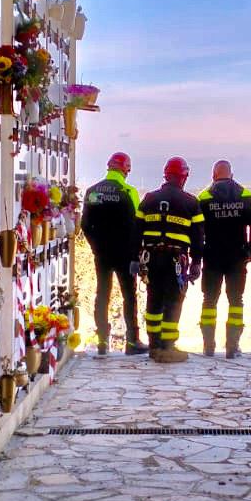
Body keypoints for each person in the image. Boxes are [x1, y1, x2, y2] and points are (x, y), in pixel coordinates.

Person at [137, 157, 204, 363]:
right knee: (174, 301)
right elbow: (198, 237)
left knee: (153, 299)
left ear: (166, 175)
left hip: (151, 259)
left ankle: (154, 345)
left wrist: (135, 259)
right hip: (176, 261)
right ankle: (168, 346)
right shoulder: (191, 202)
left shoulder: (149, 199)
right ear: (184, 177)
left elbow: (135, 231)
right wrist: (196, 262)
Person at [80, 152, 148, 356]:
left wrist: (95, 246)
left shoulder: (92, 192)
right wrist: (138, 253)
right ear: (126, 169)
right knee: (129, 296)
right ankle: (132, 341)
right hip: (125, 253)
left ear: (109, 167)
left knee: (102, 294)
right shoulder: (128, 191)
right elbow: (139, 225)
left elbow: (85, 224)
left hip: (101, 253)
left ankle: (101, 341)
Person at [197, 160, 251, 359]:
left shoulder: (204, 198)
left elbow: (196, 229)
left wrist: (199, 254)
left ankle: (208, 347)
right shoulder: (246, 196)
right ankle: (232, 347)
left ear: (213, 175)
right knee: (236, 301)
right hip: (237, 258)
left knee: (209, 301)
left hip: (212, 258)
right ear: (231, 174)